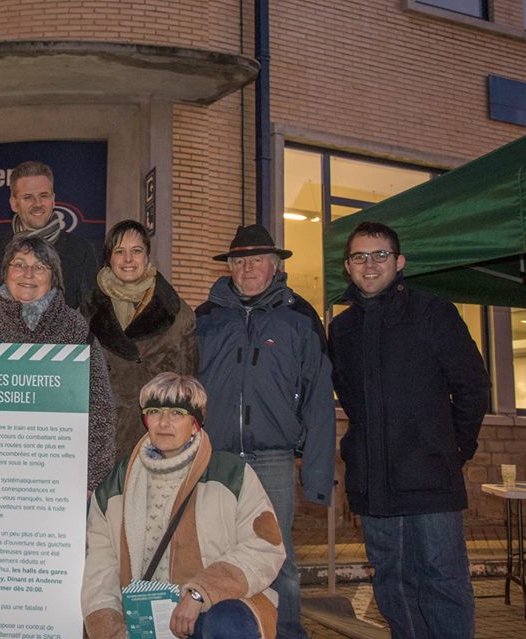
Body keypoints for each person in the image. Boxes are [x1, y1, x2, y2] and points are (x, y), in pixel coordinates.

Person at [328, 221, 489, 639]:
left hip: (430, 477)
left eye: (380, 255)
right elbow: (350, 398)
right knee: (392, 580)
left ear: (399, 262)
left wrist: (455, 450)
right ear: (348, 267)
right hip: (375, 482)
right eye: (360, 256)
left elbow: (472, 386)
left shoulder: (433, 312)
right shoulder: (341, 329)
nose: (370, 264)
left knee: (442, 580)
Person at [194, 224, 335, 639]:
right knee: (214, 549)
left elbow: (318, 399)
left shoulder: (300, 319)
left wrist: (317, 477)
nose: (247, 268)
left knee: (278, 555)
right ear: (229, 267)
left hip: (273, 458)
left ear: (275, 265)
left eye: (256, 260)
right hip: (215, 456)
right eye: (239, 260)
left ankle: (286, 631)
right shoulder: (205, 319)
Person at [82, 372, 285, 639]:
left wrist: (200, 592)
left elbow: (265, 548)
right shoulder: (114, 487)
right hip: (147, 619)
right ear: (145, 419)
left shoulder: (231, 475)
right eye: (154, 411)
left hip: (217, 609)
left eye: (177, 413)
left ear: (195, 424)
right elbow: (100, 571)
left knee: (228, 624)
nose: (164, 422)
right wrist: (110, 631)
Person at [0, 235, 116, 491]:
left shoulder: (76, 331)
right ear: (5, 272)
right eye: (19, 264)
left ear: (54, 277)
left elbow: (100, 411)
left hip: (56, 483)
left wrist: (89, 482)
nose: (28, 273)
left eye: (40, 266)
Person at [80, 220, 197, 462]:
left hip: (158, 438)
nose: (128, 259)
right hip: (101, 440)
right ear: (109, 259)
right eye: (119, 251)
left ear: (147, 258)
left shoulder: (177, 312)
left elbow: (188, 387)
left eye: (136, 251)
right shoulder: (85, 312)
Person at [0, 160, 98, 308]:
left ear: (53, 200)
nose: (37, 204)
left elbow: (91, 314)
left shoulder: (81, 251)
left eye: (44, 195)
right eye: (28, 197)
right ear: (14, 203)